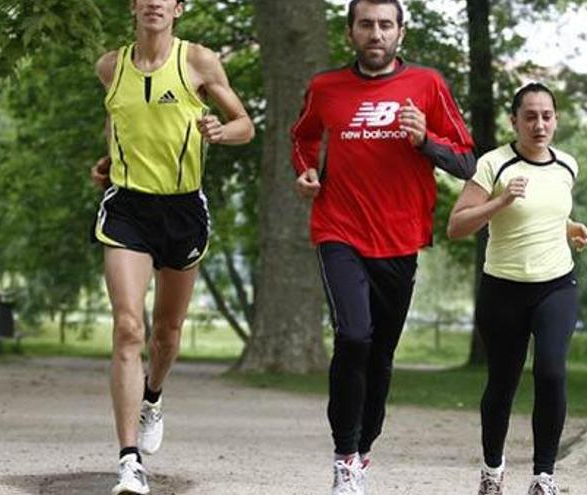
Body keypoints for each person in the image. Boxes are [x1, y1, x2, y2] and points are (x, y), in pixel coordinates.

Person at [289, 1, 476, 493]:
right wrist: (306, 173)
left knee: (381, 354)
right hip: (338, 230)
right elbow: (302, 138)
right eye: (366, 25)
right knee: (353, 337)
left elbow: (467, 160)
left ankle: (365, 446)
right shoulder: (325, 88)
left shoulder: (427, 85)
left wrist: (424, 142)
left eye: (385, 25)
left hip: (400, 238)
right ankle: (344, 455)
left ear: (400, 32)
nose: (376, 34)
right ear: (350, 31)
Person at [89, 0, 254, 493]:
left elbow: (245, 123)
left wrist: (223, 132)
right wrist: (109, 157)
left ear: (178, 8)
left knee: (166, 333)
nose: (155, 3)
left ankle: (153, 396)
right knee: (126, 326)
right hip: (127, 208)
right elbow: (119, 118)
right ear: (135, 6)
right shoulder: (110, 66)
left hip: (183, 210)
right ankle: (128, 460)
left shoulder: (199, 61)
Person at [447, 82, 587, 495]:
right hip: (503, 289)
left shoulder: (567, 165)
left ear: (556, 120)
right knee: (502, 383)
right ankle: (492, 472)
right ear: (514, 121)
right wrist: (499, 203)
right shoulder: (494, 164)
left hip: (556, 285)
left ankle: (543, 478)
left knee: (551, 372)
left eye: (546, 115)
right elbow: (456, 225)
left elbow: (545, 215)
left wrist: (570, 228)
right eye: (529, 116)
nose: (539, 124)